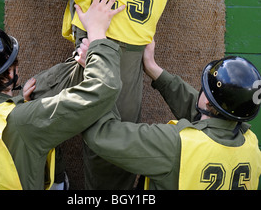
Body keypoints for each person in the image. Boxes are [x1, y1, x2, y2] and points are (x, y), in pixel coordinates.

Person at [33, 0, 175, 189]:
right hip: (129, 71)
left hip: (85, 59)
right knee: (113, 153)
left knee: (30, 104)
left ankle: (55, 182)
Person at [0, 0, 125, 190]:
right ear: (12, 73)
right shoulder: (24, 121)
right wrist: (98, 34)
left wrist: (20, 102)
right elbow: (104, 88)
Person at [83, 38, 261, 190]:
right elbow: (205, 116)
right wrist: (154, 69)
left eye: (204, 89)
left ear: (207, 102)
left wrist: (99, 76)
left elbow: (102, 135)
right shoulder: (251, 146)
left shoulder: (174, 144)